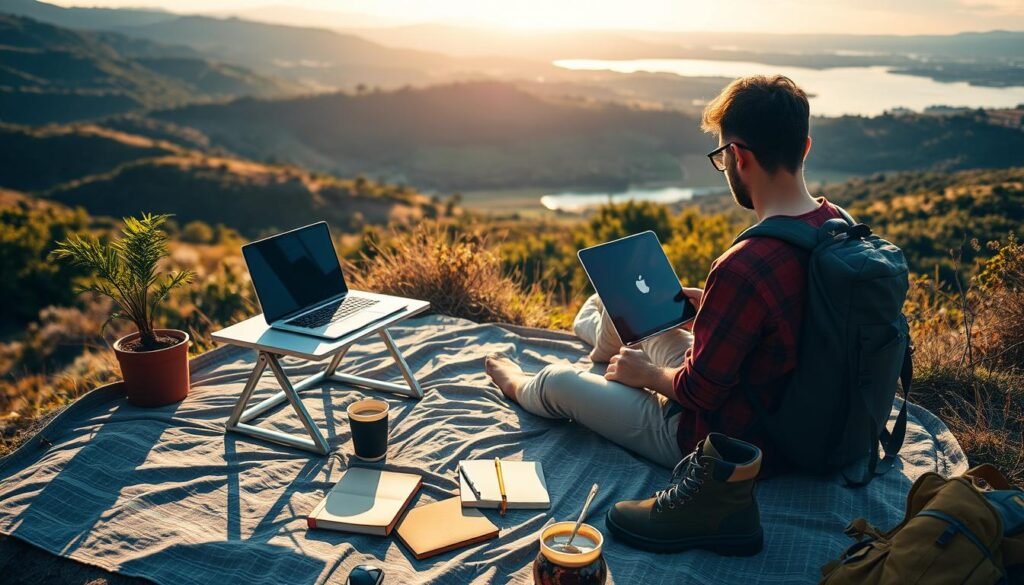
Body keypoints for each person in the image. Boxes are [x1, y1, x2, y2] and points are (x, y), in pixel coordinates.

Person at [485, 74, 845, 475]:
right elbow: (792, 326)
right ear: (805, 148)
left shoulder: (746, 265)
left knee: (557, 383)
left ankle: (518, 382)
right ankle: (603, 354)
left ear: (738, 157)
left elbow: (700, 392)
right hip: (796, 412)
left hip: (718, 438)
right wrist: (712, 309)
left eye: (721, 157)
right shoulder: (837, 227)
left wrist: (648, 374)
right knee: (632, 304)